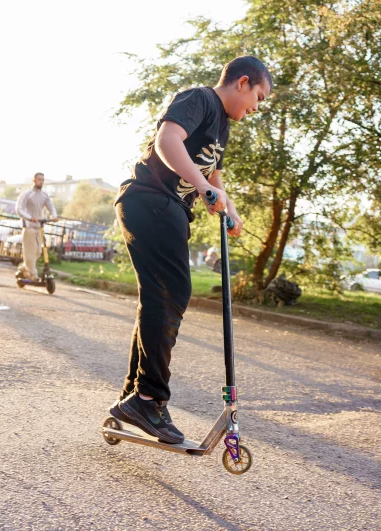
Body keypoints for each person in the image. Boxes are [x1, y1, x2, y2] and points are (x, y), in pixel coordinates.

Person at [109, 56, 272, 443]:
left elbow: (213, 176)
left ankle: (135, 396)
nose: (257, 107)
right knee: (171, 293)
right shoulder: (199, 98)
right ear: (242, 82)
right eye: (259, 97)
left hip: (169, 210)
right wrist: (202, 188)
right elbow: (167, 141)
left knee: (159, 296)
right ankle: (148, 399)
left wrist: (229, 210)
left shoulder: (223, 127)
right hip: (151, 199)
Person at [14, 172, 58, 281]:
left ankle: (24, 268)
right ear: (34, 180)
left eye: (43, 180)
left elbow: (51, 207)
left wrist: (54, 216)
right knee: (30, 251)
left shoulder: (44, 196)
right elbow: (19, 209)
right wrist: (29, 217)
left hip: (39, 226)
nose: (41, 181)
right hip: (28, 225)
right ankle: (33, 275)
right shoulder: (27, 194)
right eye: (39, 179)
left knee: (39, 251)